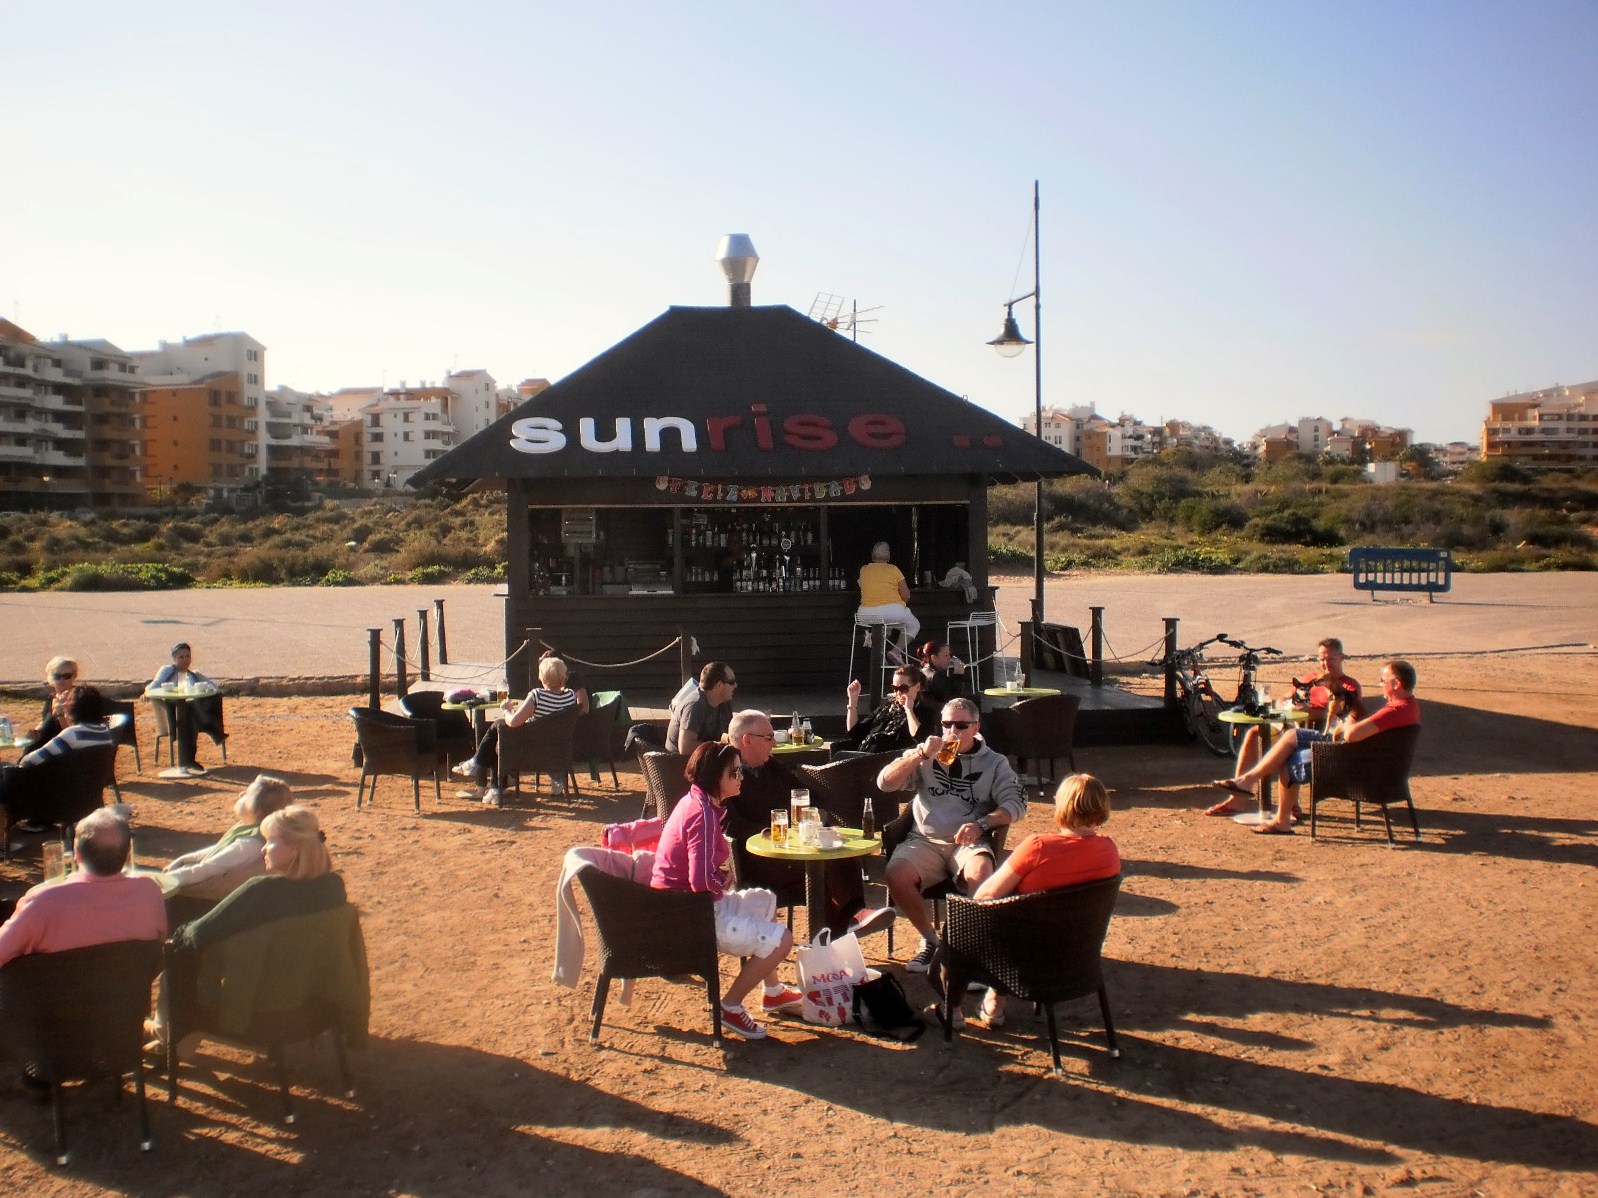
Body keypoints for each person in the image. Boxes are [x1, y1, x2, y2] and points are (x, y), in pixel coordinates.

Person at [650, 741, 798, 1041]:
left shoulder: (698, 802)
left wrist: (717, 879)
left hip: (683, 907)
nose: (740, 778)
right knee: (782, 940)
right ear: (716, 777)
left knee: (763, 900)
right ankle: (729, 1005)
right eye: (734, 773)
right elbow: (700, 882)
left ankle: (773, 991)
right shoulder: (702, 813)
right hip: (694, 916)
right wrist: (720, 882)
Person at [876, 697, 1027, 973]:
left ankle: (972, 952)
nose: (953, 732)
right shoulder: (925, 754)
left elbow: (1016, 805)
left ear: (976, 727)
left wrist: (981, 825)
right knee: (895, 873)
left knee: (981, 875)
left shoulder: (994, 763)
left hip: (968, 841)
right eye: (947, 724)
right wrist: (919, 756)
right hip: (925, 840)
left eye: (961, 725)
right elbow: (885, 783)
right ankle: (931, 942)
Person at [960, 774, 1120, 1026]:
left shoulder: (1039, 846)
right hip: (1078, 953)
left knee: (963, 926)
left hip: (1024, 954)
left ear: (1062, 804)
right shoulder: (1109, 849)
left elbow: (984, 895)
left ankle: (963, 1008)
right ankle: (993, 998)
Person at [724, 709, 894, 939]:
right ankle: (843, 929)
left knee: (838, 852)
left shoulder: (769, 765)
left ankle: (848, 924)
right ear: (747, 740)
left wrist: (816, 816)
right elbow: (729, 824)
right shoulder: (725, 773)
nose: (774, 743)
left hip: (790, 850)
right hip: (756, 860)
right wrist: (767, 834)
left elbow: (810, 795)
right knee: (822, 865)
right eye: (768, 738)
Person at [1214, 659, 1421, 835]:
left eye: (1383, 681)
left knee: (1290, 758)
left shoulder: (1395, 710)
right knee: (1293, 735)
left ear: (1397, 684)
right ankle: (1246, 781)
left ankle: (1281, 821)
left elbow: (1351, 734)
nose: (1380, 684)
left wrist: (1346, 723)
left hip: (1353, 760)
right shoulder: (1408, 707)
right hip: (1361, 754)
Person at [1205, 637, 1367, 817]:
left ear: (1341, 657)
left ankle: (1290, 805)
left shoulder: (1349, 685)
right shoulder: (1312, 678)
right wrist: (1287, 705)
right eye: (1321, 659)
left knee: (1290, 741)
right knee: (1255, 733)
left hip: (1320, 733)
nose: (1325, 664)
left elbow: (1348, 714)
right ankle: (1238, 799)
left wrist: (1309, 711)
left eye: (1330, 659)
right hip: (1290, 724)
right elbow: (1283, 699)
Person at [0, 808, 167, 968]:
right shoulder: (149, 892)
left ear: (76, 853)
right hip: (124, 995)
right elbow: (159, 942)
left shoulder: (41, 904)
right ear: (128, 851)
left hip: (51, 995)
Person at [170, 805, 346, 954]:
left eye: (269, 841)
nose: (263, 849)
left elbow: (198, 934)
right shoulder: (334, 886)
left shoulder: (260, 892)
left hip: (254, 984)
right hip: (306, 984)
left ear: (295, 847)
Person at [453, 654, 584, 806]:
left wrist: (506, 710)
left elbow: (514, 722)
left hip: (527, 752)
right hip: (557, 752)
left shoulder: (537, 695)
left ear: (542, 677)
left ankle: (478, 766)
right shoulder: (569, 695)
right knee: (500, 729)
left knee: (500, 729)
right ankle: (487, 779)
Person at [163, 774, 294, 921]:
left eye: (246, 794)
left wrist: (165, 880)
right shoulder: (247, 827)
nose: (240, 794)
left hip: (207, 902)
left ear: (256, 810)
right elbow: (218, 849)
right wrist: (184, 859)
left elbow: (208, 869)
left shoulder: (251, 843)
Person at [2, 686, 115, 833]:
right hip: (85, 796)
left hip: (56, 801)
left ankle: (2, 842)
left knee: (4, 776)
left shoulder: (72, 735)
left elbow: (28, 761)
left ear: (72, 709)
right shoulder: (105, 733)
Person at [146, 641, 226, 774]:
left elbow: (215, 688)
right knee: (191, 710)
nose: (185, 660)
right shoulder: (168, 670)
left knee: (191, 715)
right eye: (181, 657)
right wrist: (146, 692)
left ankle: (188, 760)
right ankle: (212, 730)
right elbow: (153, 686)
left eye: (187, 656)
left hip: (189, 715)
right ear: (174, 658)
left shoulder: (194, 675)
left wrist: (203, 685)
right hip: (171, 712)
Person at [836, 667, 938, 756]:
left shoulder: (925, 711)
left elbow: (920, 737)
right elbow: (855, 733)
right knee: (837, 756)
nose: (898, 693)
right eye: (895, 688)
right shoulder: (887, 707)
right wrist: (853, 701)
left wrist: (909, 710)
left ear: (917, 687)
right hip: (864, 754)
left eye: (903, 688)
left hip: (887, 761)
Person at [856, 542, 919, 664]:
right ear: (888, 555)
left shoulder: (863, 570)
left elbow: (863, 586)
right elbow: (906, 595)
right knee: (913, 625)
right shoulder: (894, 569)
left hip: (865, 614)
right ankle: (896, 652)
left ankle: (879, 655)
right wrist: (900, 604)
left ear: (872, 556)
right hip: (891, 611)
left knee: (885, 625)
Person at [664, 661, 738, 755]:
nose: (735, 685)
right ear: (719, 685)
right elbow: (685, 748)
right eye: (732, 682)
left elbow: (730, 733)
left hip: (707, 758)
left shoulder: (724, 702)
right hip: (681, 763)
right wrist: (719, 746)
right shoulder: (695, 705)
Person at [18, 655, 81, 755]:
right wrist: (35, 732)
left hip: (63, 749)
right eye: (57, 676)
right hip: (46, 745)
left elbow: (72, 734)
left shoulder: (78, 698)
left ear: (74, 676)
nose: (61, 680)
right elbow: (45, 722)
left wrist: (60, 713)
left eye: (66, 676)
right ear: (51, 678)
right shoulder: (52, 698)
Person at [917, 639, 968, 707]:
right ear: (934, 658)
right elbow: (954, 701)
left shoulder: (923, 671)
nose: (949, 659)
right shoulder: (936, 676)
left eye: (950, 655)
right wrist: (958, 676)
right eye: (946, 656)